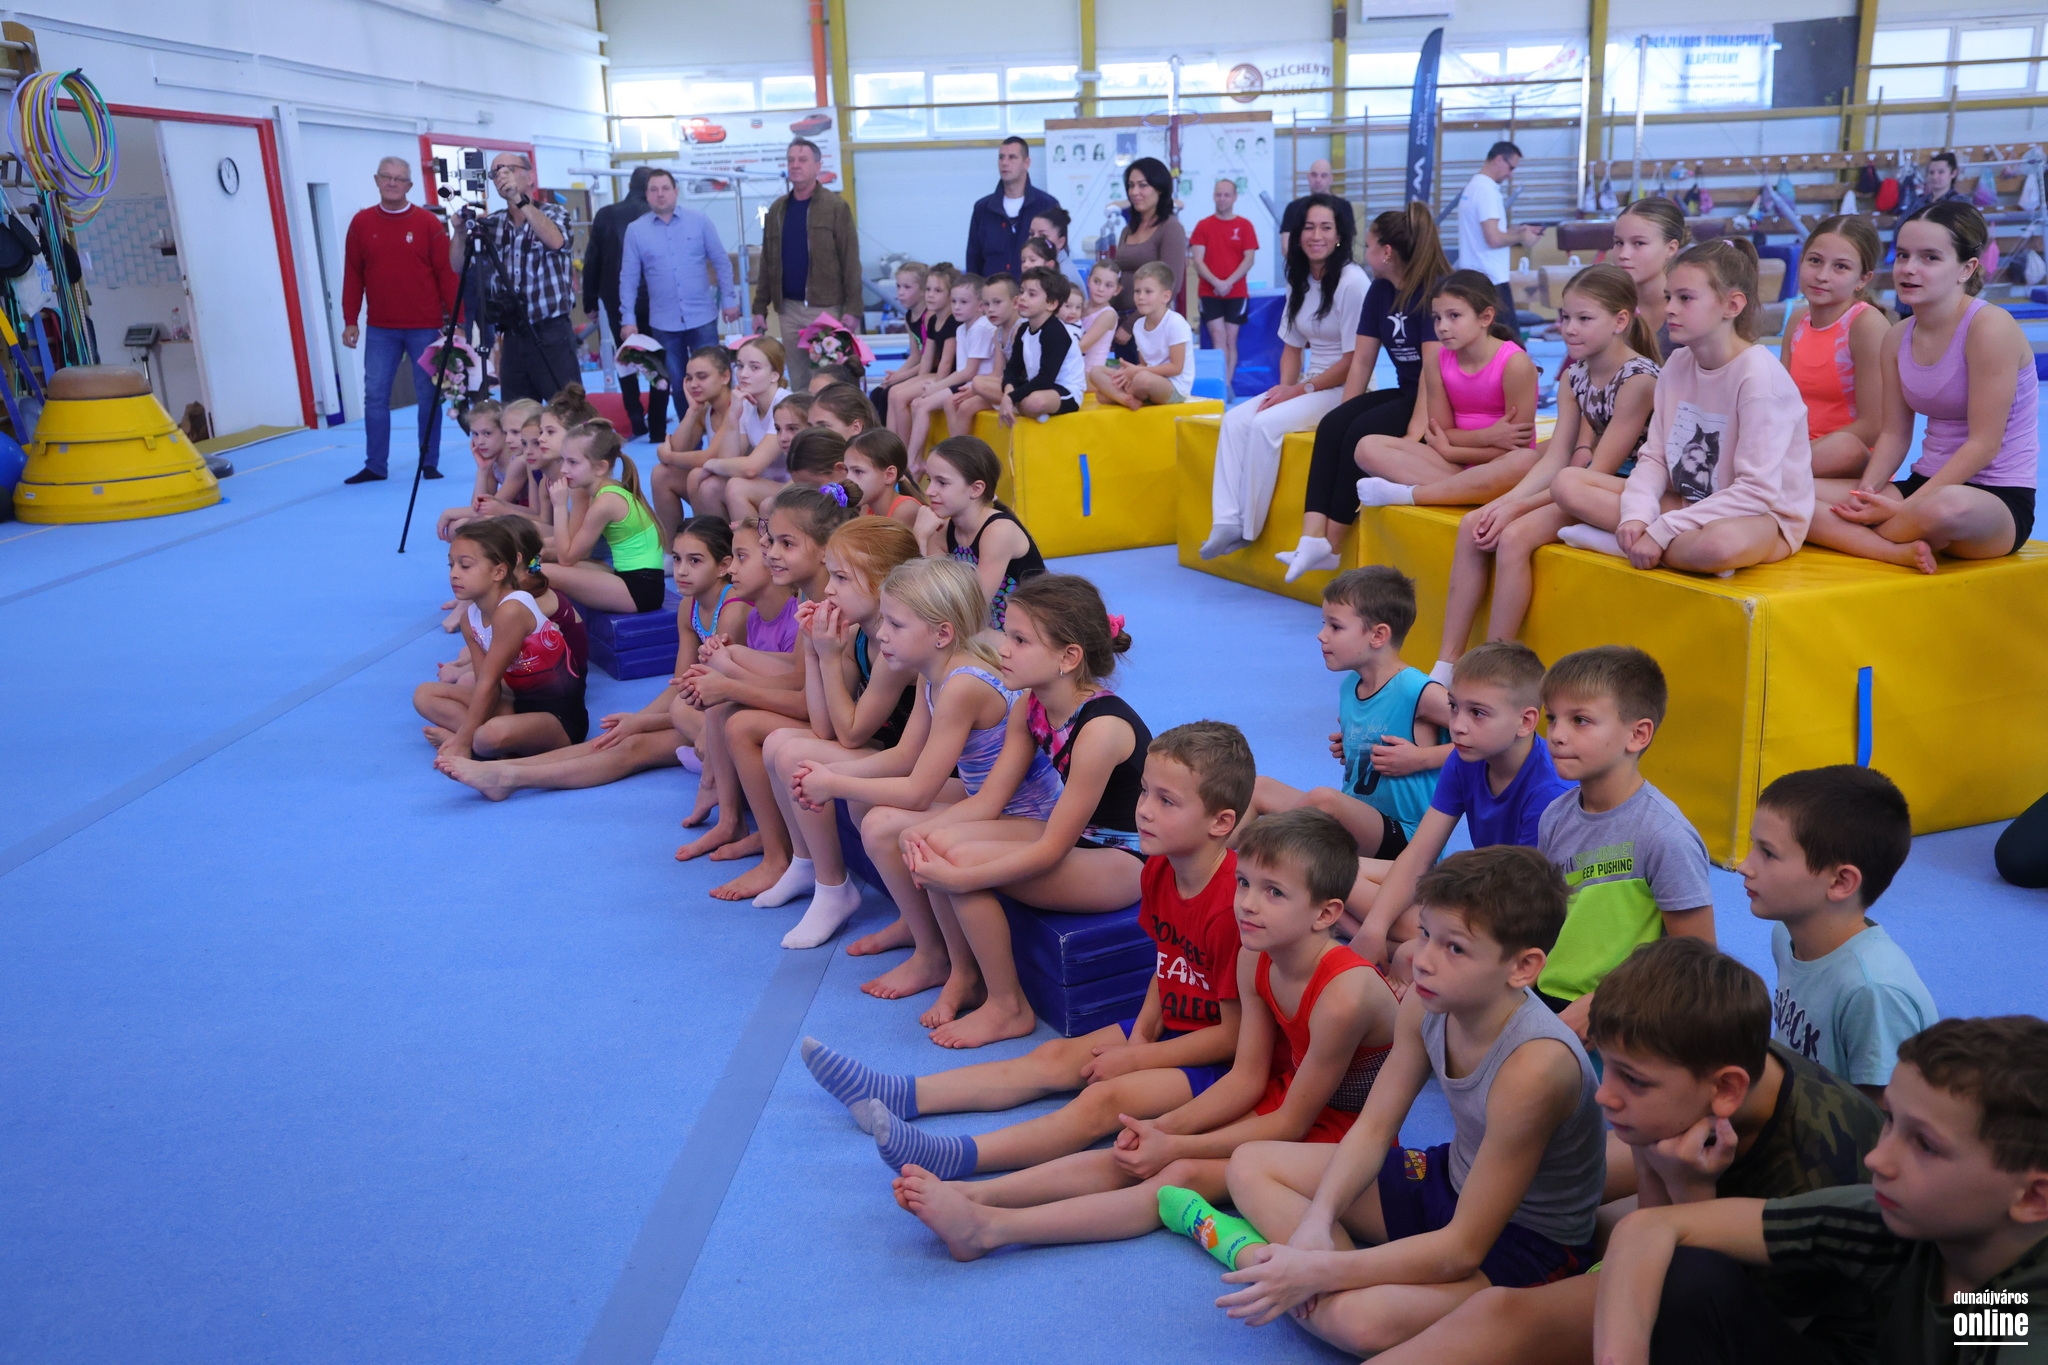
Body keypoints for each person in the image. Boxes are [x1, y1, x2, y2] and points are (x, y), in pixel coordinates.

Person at [884, 809, 1401, 1260]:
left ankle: (989, 1229)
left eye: (1274, 893)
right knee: (1134, 1152)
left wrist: (1175, 1143)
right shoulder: (1256, 956)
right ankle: (977, 1196)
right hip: (1284, 1098)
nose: (1246, 903)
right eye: (1243, 883)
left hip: (1341, 1133)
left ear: (1326, 914)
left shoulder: (1343, 996)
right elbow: (1247, 1078)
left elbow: (1291, 1122)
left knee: (1176, 1173)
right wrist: (1162, 1130)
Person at [1370, 934, 1887, 1365]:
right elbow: (1650, 1225)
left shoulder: (1813, 1173)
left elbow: (1702, 1311)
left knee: (1499, 1317)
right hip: (1713, 1244)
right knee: (1578, 1212)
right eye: (1608, 1066)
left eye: (1632, 1079)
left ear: (1726, 1089)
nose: (1605, 1095)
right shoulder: (1698, 1062)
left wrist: (1688, 1189)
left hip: (1803, 1334)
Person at [1212, 845, 1605, 1357]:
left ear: (1523, 966)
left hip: (1524, 1241)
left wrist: (1325, 1269)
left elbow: (1463, 1248)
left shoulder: (1535, 1068)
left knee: (1358, 1323)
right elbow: (1374, 1129)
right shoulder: (1425, 1001)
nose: (1422, 960)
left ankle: (1313, 1279)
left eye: (1454, 948)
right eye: (1424, 934)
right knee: (1249, 1165)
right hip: (1448, 1179)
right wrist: (1316, 1226)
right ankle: (1315, 1274)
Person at [802, 720, 1252, 1158]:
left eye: (1166, 801)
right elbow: (1166, 969)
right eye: (1144, 792)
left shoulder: (1232, 909)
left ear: (1220, 822)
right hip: (1176, 1027)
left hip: (1219, 1063)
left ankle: (953, 1156)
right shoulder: (1160, 871)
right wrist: (1142, 1037)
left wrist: (1138, 1060)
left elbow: (1232, 1038)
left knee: (1102, 1100)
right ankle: (895, 1093)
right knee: (1052, 1058)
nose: (1145, 810)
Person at [1591, 1014, 2048, 1365]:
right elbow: (1649, 1228)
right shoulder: (1889, 1222)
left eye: (1925, 1145)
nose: (1877, 1159)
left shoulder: (2025, 1327)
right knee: (1689, 1274)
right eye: (1891, 1120)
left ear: (2032, 1198)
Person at [787, 557, 1061, 1014]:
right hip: (985, 797)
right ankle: (920, 929)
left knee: (887, 827)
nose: (882, 634)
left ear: (942, 633)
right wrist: (831, 775)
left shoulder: (962, 686)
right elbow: (903, 757)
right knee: (866, 809)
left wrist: (832, 782)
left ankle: (947, 962)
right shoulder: (931, 674)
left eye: (896, 624)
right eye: (884, 621)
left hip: (1024, 813)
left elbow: (917, 791)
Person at [896, 574, 1151, 1048]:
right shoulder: (1030, 705)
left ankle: (1008, 1006)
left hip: (1124, 859)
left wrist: (962, 878)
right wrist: (921, 830)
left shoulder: (1101, 730)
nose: (1003, 649)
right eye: (1006, 634)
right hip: (1077, 838)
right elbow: (989, 801)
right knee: (936, 843)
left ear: (1068, 657)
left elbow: (1052, 848)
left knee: (958, 864)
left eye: (1020, 640)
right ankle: (964, 973)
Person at [435, 516, 745, 802]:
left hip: (724, 712)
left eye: (694, 561)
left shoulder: (732, 611)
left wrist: (643, 722)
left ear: (723, 566)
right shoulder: (688, 606)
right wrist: (637, 719)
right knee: (614, 739)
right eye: (676, 559)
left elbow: (724, 697)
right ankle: (503, 771)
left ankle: (509, 775)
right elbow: (681, 684)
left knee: (630, 746)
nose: (681, 570)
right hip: (701, 709)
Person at [1431, 265, 1660, 650]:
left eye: (1584, 319)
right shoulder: (1575, 376)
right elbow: (1555, 460)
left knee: (1514, 536)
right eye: (1565, 317)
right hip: (1585, 482)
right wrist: (1502, 504)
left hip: (1627, 488)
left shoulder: (1639, 380)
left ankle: (1495, 662)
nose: (1569, 329)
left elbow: (1598, 472)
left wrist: (1515, 510)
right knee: (1475, 522)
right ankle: (1447, 662)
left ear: (1620, 321)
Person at [1556, 238, 1816, 576]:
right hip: (1687, 501)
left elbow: (1756, 492)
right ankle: (1649, 543)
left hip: (1757, 517)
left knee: (1719, 546)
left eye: (1685, 298)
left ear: (1732, 305)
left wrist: (1662, 530)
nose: (1670, 309)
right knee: (1568, 483)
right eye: (1669, 297)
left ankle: (1620, 544)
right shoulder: (1677, 364)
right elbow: (1655, 458)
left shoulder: (1760, 380)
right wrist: (1636, 515)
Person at [1808, 201, 2036, 571]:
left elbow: (1984, 444)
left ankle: (1867, 537)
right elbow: (1895, 434)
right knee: (1789, 489)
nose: (1909, 268)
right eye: (1903, 255)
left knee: (1945, 507)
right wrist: (1865, 495)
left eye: (1929, 257)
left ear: (1966, 268)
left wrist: (1906, 508)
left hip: (1993, 499)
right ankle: (1886, 541)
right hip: (1922, 483)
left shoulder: (1990, 327)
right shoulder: (1897, 336)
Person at [752, 518, 925, 942]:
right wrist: (815, 650)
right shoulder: (859, 634)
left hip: (920, 764)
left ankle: (833, 888)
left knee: (794, 754)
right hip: (892, 753)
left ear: (884, 584)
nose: (828, 589)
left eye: (842, 578)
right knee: (778, 743)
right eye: (830, 575)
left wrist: (829, 657)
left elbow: (849, 735)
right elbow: (823, 726)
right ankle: (806, 863)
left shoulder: (896, 648)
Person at [1351, 642, 1572, 964]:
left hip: (1520, 914)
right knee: (1336, 870)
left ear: (1525, 722)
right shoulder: (1465, 758)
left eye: (1477, 713)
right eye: (1454, 707)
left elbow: (1524, 905)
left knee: (1411, 944)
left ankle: (1394, 942)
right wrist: (1373, 929)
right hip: (1487, 889)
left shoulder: (1548, 792)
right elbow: (1419, 854)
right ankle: (1383, 938)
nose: (1457, 725)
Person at [693, 485, 864, 902]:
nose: (770, 552)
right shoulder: (810, 592)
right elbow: (797, 675)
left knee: (740, 722)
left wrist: (730, 681)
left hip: (849, 724)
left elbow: (806, 699)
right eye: (769, 541)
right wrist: (732, 662)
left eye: (785, 543)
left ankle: (778, 856)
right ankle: (741, 824)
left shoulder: (835, 605)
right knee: (726, 701)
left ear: (823, 551)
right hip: (830, 714)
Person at [1533, 647, 1714, 1038]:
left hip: (1621, 1014)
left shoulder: (1665, 835)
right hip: (1545, 996)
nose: (1557, 735)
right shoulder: (1554, 817)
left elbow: (1697, 962)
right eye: (1552, 718)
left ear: (1637, 734)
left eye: (1580, 720)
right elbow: (1547, 923)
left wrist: (1602, 1003)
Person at [1740, 765, 1937, 1103]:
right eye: (1753, 846)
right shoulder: (1786, 936)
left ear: (1841, 882)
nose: (1745, 865)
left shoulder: (1872, 992)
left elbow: (1879, 1121)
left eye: (1768, 853)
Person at [1279, 204, 1452, 580]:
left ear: (1386, 252)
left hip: (1439, 398)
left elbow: (1432, 372)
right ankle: (1310, 539)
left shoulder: (1432, 292)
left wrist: (1414, 433)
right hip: (1406, 391)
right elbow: (1361, 362)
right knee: (1334, 425)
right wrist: (1343, 412)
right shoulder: (1380, 291)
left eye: (1369, 245)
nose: (1364, 253)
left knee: (1359, 432)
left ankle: (1333, 544)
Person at [1199, 195, 1370, 558]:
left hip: (1344, 387)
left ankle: (1249, 529)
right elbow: (1291, 346)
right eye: (1309, 227)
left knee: (1265, 425)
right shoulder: (1299, 278)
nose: (1316, 236)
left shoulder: (1353, 281)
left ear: (1340, 234)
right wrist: (1285, 387)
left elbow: (1354, 359)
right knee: (1235, 420)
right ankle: (1225, 521)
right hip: (1309, 382)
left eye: (1325, 227)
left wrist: (1300, 390)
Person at [1244, 566, 1451, 862]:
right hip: (1359, 819)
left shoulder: (1416, 690)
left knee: (1324, 800)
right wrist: (1358, 748)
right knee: (1258, 787)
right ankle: (1217, 869)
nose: (1321, 635)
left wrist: (1421, 758)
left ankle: (1267, 860)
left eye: (1335, 627)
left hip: (1409, 840)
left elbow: (1487, 742)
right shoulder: (1350, 686)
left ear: (1378, 635)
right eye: (1324, 624)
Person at [1353, 269, 1542, 511]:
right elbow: (1440, 433)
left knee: (1525, 461)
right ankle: (1472, 491)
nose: (1442, 327)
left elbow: (1517, 447)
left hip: (1499, 464)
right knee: (1367, 447)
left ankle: (1419, 494)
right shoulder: (1436, 361)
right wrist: (1485, 437)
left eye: (1454, 316)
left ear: (1485, 317)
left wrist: (1452, 450)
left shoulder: (1515, 363)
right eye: (1437, 317)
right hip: (1452, 463)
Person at [416, 518, 588, 759]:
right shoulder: (469, 619)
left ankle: (476, 747)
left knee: (488, 736)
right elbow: (485, 685)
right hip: (516, 703)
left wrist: (463, 740)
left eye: (465, 566)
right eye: (451, 565)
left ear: (499, 571)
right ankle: (484, 743)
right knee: (424, 694)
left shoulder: (513, 609)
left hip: (559, 718)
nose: (454, 574)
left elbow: (488, 683)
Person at [341, 155, 458, 484]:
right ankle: (375, 465)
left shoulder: (427, 224)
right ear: (376, 180)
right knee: (375, 396)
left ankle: (429, 462)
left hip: (425, 327)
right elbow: (353, 275)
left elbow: (447, 275)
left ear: (409, 185)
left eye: (398, 178)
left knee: (429, 396)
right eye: (386, 177)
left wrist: (458, 322)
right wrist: (350, 320)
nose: (392, 183)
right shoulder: (361, 223)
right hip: (380, 328)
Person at [451, 153, 575, 404]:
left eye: (508, 169)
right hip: (512, 334)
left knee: (566, 411)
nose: (501, 176)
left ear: (530, 176)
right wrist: (460, 232)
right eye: (495, 172)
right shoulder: (493, 224)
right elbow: (458, 265)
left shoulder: (554, 213)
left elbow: (556, 241)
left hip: (551, 331)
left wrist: (519, 199)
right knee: (516, 413)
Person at [1780, 216, 1890, 480]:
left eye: (1840, 267)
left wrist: (1797, 454)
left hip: (1847, 462)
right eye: (1815, 261)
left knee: (1844, 447)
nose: (1822, 276)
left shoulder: (1866, 325)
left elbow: (1873, 426)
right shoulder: (1798, 320)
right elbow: (1780, 402)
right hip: (1798, 457)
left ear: (1863, 279)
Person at [617, 169, 740, 397]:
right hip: (664, 322)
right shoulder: (636, 231)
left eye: (665, 188)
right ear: (647, 195)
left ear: (676, 191)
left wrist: (729, 300)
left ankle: (719, 421)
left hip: (703, 317)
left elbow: (721, 262)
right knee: (678, 383)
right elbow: (628, 278)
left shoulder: (699, 221)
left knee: (713, 379)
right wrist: (628, 318)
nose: (660, 194)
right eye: (654, 190)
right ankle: (687, 422)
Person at [752, 138, 862, 389]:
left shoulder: (836, 207)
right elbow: (768, 262)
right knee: (800, 382)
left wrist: (854, 308)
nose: (795, 165)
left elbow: (850, 259)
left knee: (831, 381)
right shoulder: (777, 210)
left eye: (802, 160)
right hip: (788, 310)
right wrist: (759, 307)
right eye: (791, 160)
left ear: (817, 166)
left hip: (826, 309)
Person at [917, 435, 1047, 630]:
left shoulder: (999, 531)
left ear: (976, 489)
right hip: (988, 630)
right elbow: (928, 597)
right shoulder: (944, 532)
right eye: (929, 480)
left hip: (1032, 633)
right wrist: (921, 536)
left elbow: (974, 605)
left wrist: (921, 538)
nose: (929, 491)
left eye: (942, 483)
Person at [540, 420, 667, 615]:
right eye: (562, 461)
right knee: (546, 566)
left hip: (640, 590)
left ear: (600, 467)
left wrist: (559, 506)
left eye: (572, 462)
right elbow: (576, 554)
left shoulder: (606, 502)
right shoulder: (605, 492)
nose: (564, 469)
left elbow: (566, 557)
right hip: (627, 577)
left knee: (543, 572)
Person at [582, 167, 665, 442]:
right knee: (657, 358)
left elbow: (592, 261)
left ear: (629, 186)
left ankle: (635, 417)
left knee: (625, 358)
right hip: (655, 297)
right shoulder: (658, 214)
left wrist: (589, 300)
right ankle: (657, 424)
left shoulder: (606, 214)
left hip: (615, 297)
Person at [691, 337, 792, 521]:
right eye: (739, 366)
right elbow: (729, 458)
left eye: (754, 367)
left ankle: (752, 540)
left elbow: (751, 467)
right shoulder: (746, 402)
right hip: (765, 483)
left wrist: (711, 463)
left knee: (736, 486)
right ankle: (718, 539)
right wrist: (732, 415)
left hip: (794, 486)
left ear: (774, 375)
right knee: (708, 485)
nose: (743, 374)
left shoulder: (785, 404)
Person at [649, 345, 735, 546]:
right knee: (662, 474)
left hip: (742, 487)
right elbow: (677, 449)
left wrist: (668, 456)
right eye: (689, 378)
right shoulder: (706, 409)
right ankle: (672, 550)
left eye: (702, 377)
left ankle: (709, 546)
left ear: (725, 377)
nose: (694, 384)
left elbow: (711, 457)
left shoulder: (738, 405)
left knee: (698, 476)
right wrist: (693, 411)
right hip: (720, 484)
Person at [1454, 141, 1542, 333]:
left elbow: (1488, 231)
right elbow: (1493, 238)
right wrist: (1522, 238)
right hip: (1491, 281)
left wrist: (1519, 230)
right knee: (1509, 343)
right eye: (1511, 168)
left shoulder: (1474, 186)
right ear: (1499, 159)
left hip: (1477, 279)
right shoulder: (1486, 191)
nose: (1511, 175)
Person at [1109, 158, 1187, 354]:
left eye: (1142, 185)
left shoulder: (1170, 228)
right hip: (1119, 324)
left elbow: (1172, 285)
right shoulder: (1128, 229)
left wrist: (1130, 325)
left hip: (1149, 327)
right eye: (1131, 185)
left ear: (1159, 189)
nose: (1135, 192)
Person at [1088, 261, 1191, 409]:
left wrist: (1137, 371)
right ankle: (1126, 398)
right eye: (1137, 291)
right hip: (1145, 376)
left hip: (1173, 387)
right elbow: (1144, 363)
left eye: (1148, 292)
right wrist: (1128, 372)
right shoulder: (1138, 325)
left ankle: (1123, 395)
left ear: (1165, 296)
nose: (1140, 297)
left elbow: (1176, 367)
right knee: (1096, 372)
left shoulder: (1175, 323)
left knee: (1141, 380)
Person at [1190, 178, 1260, 395]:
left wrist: (1228, 282)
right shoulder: (1203, 226)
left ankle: (1227, 384)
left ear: (1235, 197)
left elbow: (1249, 259)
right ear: (1213, 196)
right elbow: (1197, 260)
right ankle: (1220, 384)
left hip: (1236, 292)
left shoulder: (1245, 226)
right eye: (1219, 194)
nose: (1222, 199)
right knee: (1217, 337)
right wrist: (1216, 282)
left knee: (1231, 339)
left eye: (1226, 195)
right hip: (1209, 292)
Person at [896, 270, 976, 452]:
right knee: (893, 393)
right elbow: (925, 357)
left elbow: (947, 364)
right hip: (951, 378)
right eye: (928, 289)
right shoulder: (937, 322)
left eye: (938, 290)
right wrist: (913, 380)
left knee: (906, 399)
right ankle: (899, 451)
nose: (930, 295)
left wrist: (936, 387)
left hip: (954, 378)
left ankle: (908, 455)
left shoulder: (955, 324)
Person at [965, 136, 1061, 280]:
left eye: (1012, 157)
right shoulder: (983, 208)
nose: (1004, 163)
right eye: (1001, 157)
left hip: (1033, 290)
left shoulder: (1047, 205)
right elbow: (974, 260)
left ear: (1026, 163)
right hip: (992, 291)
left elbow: (1058, 255)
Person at [1000, 267, 1085, 423]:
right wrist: (1008, 393)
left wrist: (1012, 397)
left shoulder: (1056, 332)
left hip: (1063, 389)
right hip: (1036, 384)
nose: (1022, 298)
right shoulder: (1023, 329)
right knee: (979, 384)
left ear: (1051, 304)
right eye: (1022, 292)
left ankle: (1023, 407)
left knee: (1034, 402)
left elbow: (1046, 379)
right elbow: (1013, 368)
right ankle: (1018, 405)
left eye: (1031, 294)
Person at [1608, 198, 1686, 358]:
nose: (1623, 254)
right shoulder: (1606, 306)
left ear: (1671, 248)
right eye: (1619, 243)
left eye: (1639, 243)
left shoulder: (1690, 310)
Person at [436, 401, 511, 541]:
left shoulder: (516, 462)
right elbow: (478, 505)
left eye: (487, 433)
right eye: (475, 434)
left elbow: (491, 508)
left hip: (528, 519)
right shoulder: (493, 463)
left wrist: (449, 512)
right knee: (455, 529)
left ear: (505, 431)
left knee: (460, 529)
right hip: (506, 516)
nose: (480, 441)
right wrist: (483, 470)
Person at [841, 428, 925, 531]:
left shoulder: (905, 510)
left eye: (858, 471)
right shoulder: (867, 506)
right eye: (846, 470)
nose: (848, 478)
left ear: (889, 475)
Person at [1278, 159, 1355, 261]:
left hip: (1336, 264)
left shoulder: (1344, 207)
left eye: (1323, 176)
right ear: (1308, 177)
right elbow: (1286, 247)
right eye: (1314, 175)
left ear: (1331, 179)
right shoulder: (1293, 207)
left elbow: (1347, 243)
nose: (1318, 180)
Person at [1074, 260, 1119, 370]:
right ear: (1088, 281)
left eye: (1108, 285)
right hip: (1074, 369)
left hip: (1090, 373)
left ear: (1117, 290)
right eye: (1097, 282)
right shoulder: (1080, 305)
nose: (1100, 289)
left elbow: (1082, 346)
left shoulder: (1108, 315)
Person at [1027, 205, 1085, 290]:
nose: (1034, 239)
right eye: (1032, 234)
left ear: (1060, 242)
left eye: (1043, 236)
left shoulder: (1064, 274)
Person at [1900, 148, 1965, 218]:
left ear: (1953, 173)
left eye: (1941, 172)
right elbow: (1902, 223)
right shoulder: (1918, 203)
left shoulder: (1959, 203)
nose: (1935, 177)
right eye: (1931, 172)